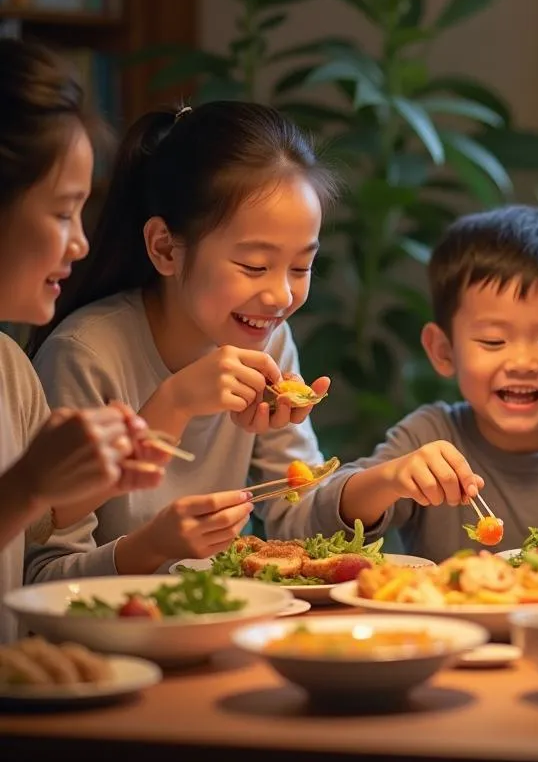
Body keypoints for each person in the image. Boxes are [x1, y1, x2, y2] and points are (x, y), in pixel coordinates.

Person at [25, 100, 342, 581]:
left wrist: (386, 481)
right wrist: (174, 404)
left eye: (301, 267)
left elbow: (297, 507)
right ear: (165, 248)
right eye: (254, 266)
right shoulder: (86, 355)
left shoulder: (267, 340)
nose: (280, 295)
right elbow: (40, 576)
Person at [333, 205, 538, 565]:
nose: (521, 363)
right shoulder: (431, 436)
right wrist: (391, 478)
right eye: (492, 341)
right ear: (443, 350)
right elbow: (322, 525)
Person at [0, 39, 163, 641]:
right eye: (63, 212)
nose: (80, 244)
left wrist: (84, 481)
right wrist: (28, 485)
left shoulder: (9, 368)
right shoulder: (83, 348)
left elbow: (43, 548)